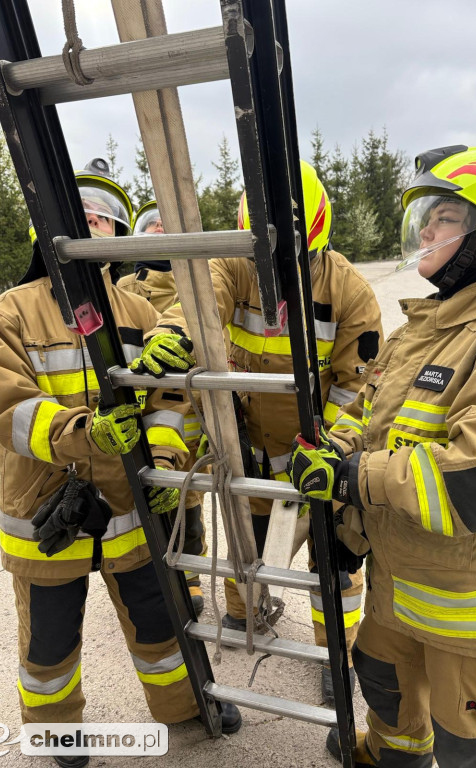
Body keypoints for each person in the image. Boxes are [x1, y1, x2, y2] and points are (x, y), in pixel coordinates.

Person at [288, 145, 476, 766]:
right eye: (426, 216)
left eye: (446, 217)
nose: (426, 230)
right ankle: (393, 756)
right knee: (382, 681)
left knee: (473, 743)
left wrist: (352, 478)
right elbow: (369, 419)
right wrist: (333, 454)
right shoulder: (424, 328)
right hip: (400, 580)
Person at [0, 167, 241, 768]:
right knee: (48, 645)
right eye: (78, 214)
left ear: (118, 234)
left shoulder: (139, 312)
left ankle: (183, 708)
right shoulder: (9, 313)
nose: (89, 223)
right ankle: (55, 736)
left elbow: (172, 401)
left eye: (100, 216)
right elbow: (7, 409)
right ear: (44, 230)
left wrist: (170, 466)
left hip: (130, 509)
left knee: (162, 627)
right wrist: (81, 433)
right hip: (46, 516)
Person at [128, 160, 383, 705]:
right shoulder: (232, 265)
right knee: (250, 543)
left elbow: (361, 390)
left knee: (332, 559)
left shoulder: (349, 291)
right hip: (251, 444)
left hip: (320, 452)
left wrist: (333, 451)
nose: (272, 270)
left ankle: (335, 652)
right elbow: (199, 301)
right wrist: (177, 333)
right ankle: (247, 615)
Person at [118, 201, 208, 615]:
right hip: (143, 415)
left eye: (165, 222)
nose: (158, 229)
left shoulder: (198, 280)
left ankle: (189, 576)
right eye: (150, 223)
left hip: (189, 418)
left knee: (189, 502)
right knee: (149, 499)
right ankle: (155, 572)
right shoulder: (123, 290)